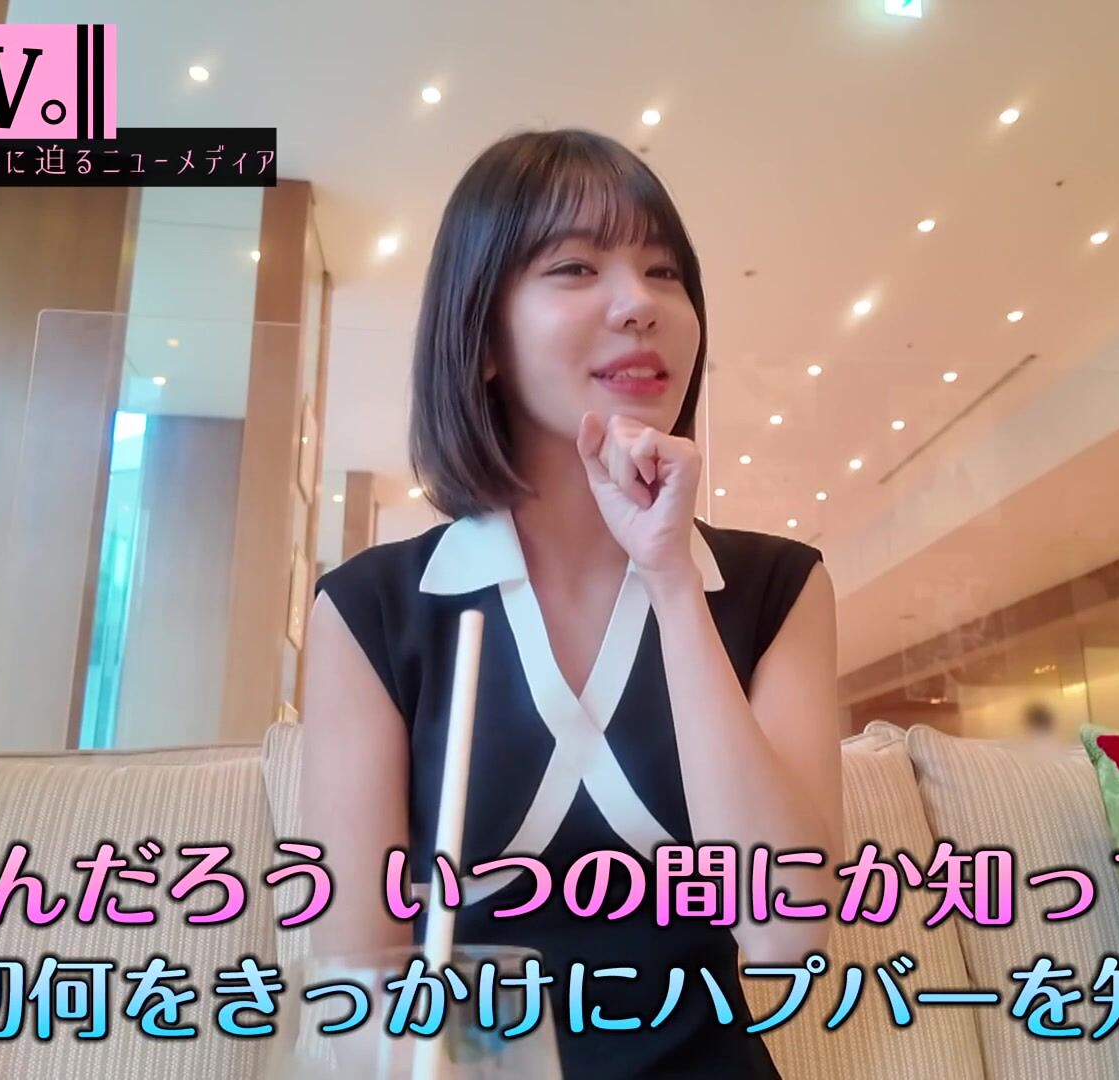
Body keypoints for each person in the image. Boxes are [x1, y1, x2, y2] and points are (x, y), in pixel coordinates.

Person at [301, 128, 842, 1078]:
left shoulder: (776, 589)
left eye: (665, 272)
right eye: (576, 268)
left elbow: (784, 933)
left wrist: (671, 577)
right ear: (484, 339)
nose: (641, 304)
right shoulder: (373, 612)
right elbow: (359, 979)